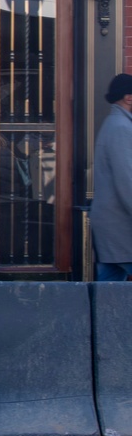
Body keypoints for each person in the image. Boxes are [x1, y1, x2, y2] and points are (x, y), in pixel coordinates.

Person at [90, 73, 132, 280]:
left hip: (112, 226)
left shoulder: (113, 124)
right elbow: (127, 181)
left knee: (108, 288)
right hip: (121, 227)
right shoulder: (122, 128)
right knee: (109, 287)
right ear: (128, 97)